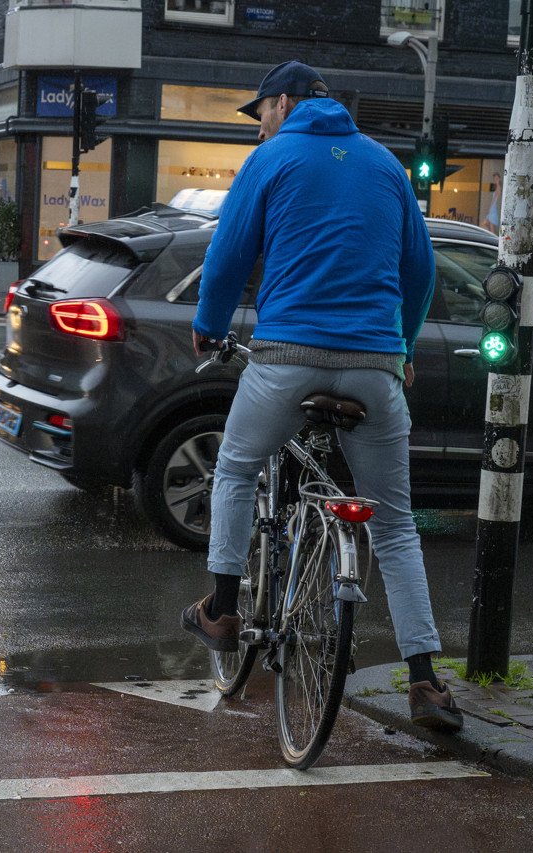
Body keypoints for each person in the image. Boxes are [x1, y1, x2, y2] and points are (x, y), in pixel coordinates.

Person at [178, 60, 461, 732]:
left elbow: (227, 254)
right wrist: (404, 347)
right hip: (374, 366)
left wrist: (208, 327)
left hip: (287, 359)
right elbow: (419, 270)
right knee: (394, 526)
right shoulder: (388, 167)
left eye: (261, 112)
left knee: (239, 467)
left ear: (284, 104)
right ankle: (425, 682)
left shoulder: (273, 160)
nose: (259, 126)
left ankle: (222, 607)